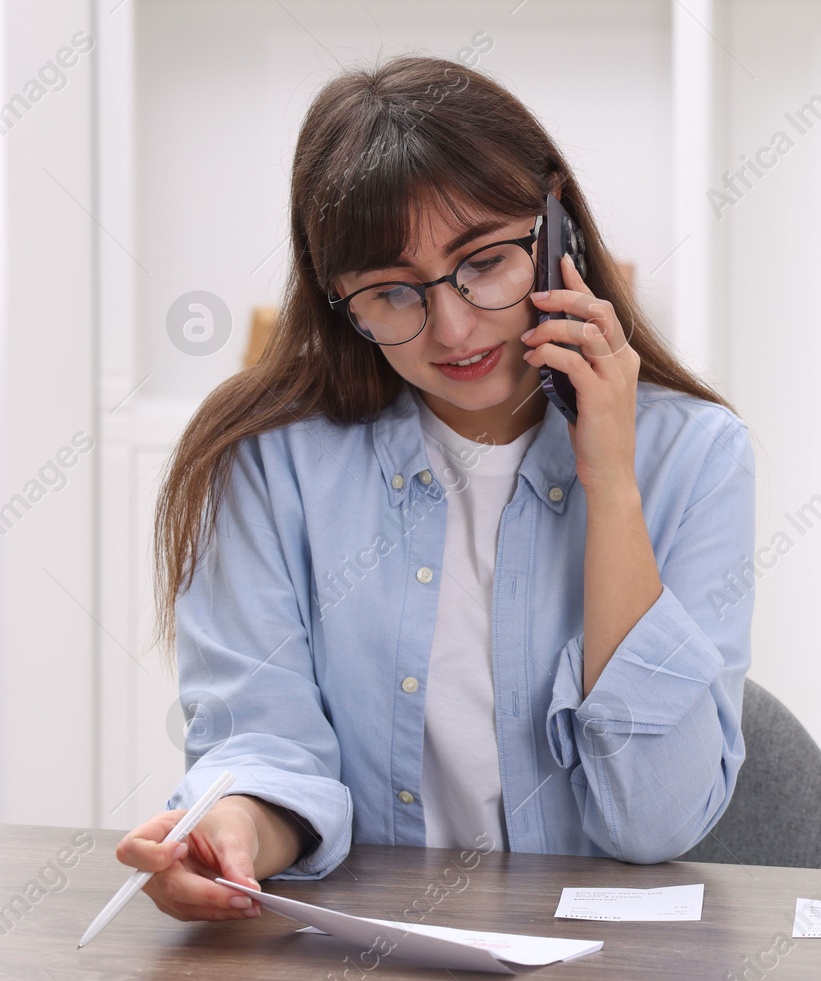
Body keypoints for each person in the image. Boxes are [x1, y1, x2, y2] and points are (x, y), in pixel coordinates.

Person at [112, 56, 754, 922]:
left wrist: (611, 481)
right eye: (389, 292)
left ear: (556, 226)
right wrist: (230, 830)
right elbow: (265, 748)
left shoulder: (697, 455)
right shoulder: (263, 459)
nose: (451, 328)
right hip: (361, 973)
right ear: (335, 293)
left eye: (485, 262)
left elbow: (656, 822)